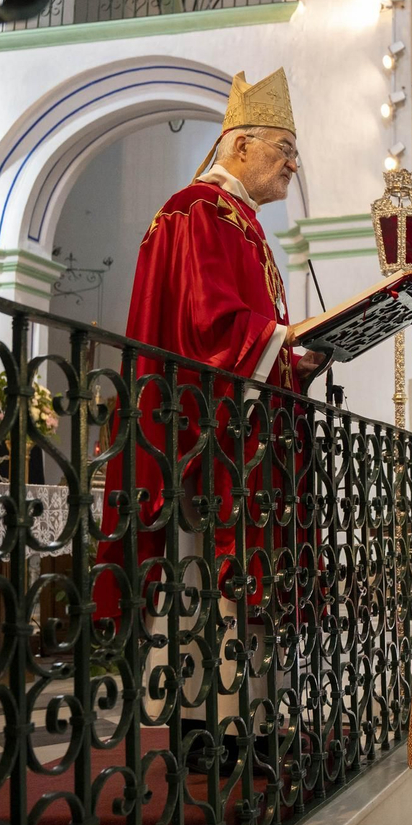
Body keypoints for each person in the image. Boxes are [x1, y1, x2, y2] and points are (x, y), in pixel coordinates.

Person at [90, 68, 321, 769]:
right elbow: (207, 324)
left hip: (243, 424)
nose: (293, 163)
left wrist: (295, 353)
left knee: (241, 580)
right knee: (209, 578)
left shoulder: (240, 223)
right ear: (241, 144)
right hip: (205, 431)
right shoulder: (199, 212)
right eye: (285, 147)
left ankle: (250, 721)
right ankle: (212, 729)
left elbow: (244, 329)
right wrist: (283, 342)